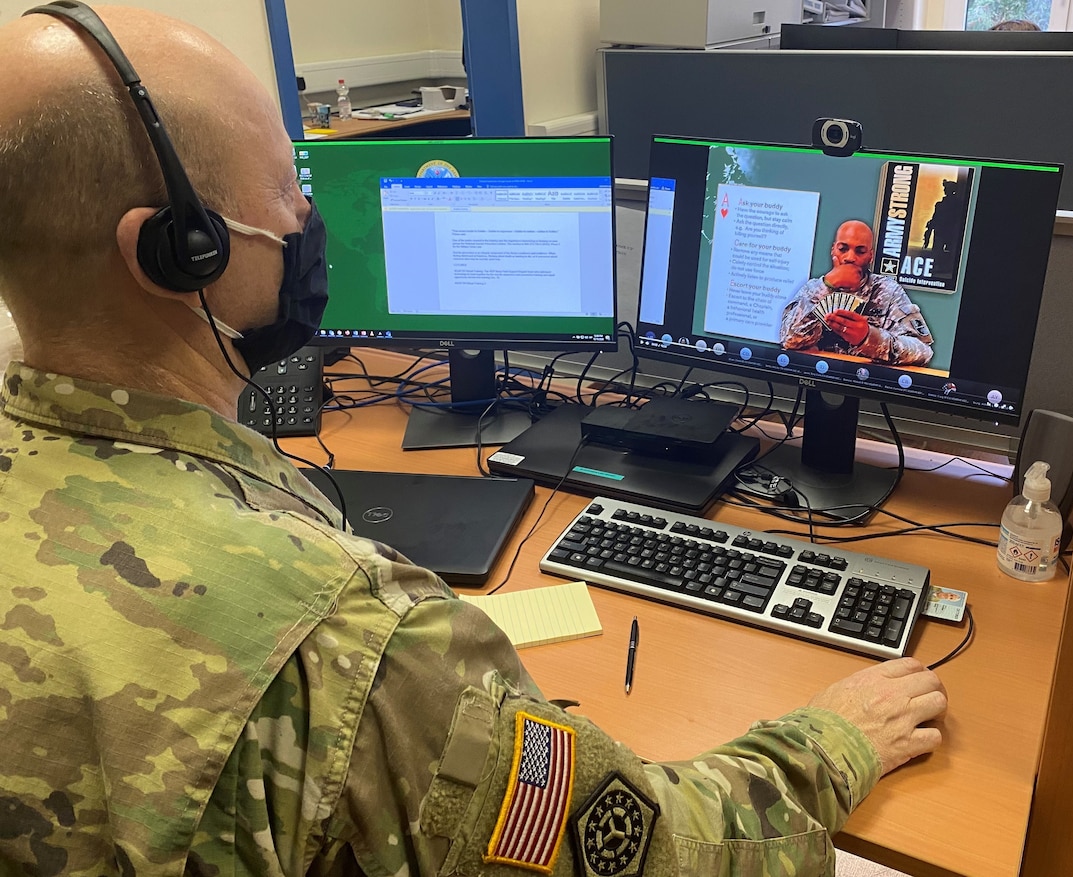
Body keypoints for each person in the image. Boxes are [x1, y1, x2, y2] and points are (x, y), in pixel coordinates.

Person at [0, 5, 948, 875]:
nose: (308, 220)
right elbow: (657, 849)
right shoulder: (353, 643)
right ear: (179, 251)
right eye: (288, 190)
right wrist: (829, 741)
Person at [780, 220, 935, 366]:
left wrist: (869, 338)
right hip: (819, 380)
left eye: (860, 251)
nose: (850, 258)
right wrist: (827, 286)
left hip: (866, 384)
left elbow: (923, 350)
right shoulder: (814, 288)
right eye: (843, 249)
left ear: (871, 256)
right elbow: (788, 340)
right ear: (833, 249)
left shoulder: (887, 290)